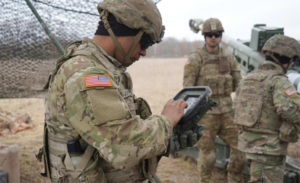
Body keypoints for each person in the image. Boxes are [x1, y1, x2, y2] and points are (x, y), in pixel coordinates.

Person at [38, 0, 190, 182]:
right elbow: (121, 147)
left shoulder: (101, 67)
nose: (144, 53)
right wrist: (166, 122)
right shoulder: (88, 75)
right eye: (145, 42)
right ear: (126, 32)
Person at [183, 18, 245, 183]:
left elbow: (240, 83)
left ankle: (234, 178)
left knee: (240, 148)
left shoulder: (228, 57)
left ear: (220, 36)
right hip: (206, 114)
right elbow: (187, 89)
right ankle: (206, 180)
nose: (213, 37)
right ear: (204, 36)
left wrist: (241, 104)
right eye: (209, 34)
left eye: (217, 34)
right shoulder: (196, 58)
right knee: (207, 153)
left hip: (227, 112)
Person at [233, 34, 300, 183]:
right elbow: (293, 113)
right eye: (293, 60)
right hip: (268, 150)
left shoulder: (248, 79)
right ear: (287, 59)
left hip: (248, 146)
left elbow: (235, 108)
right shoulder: (279, 82)